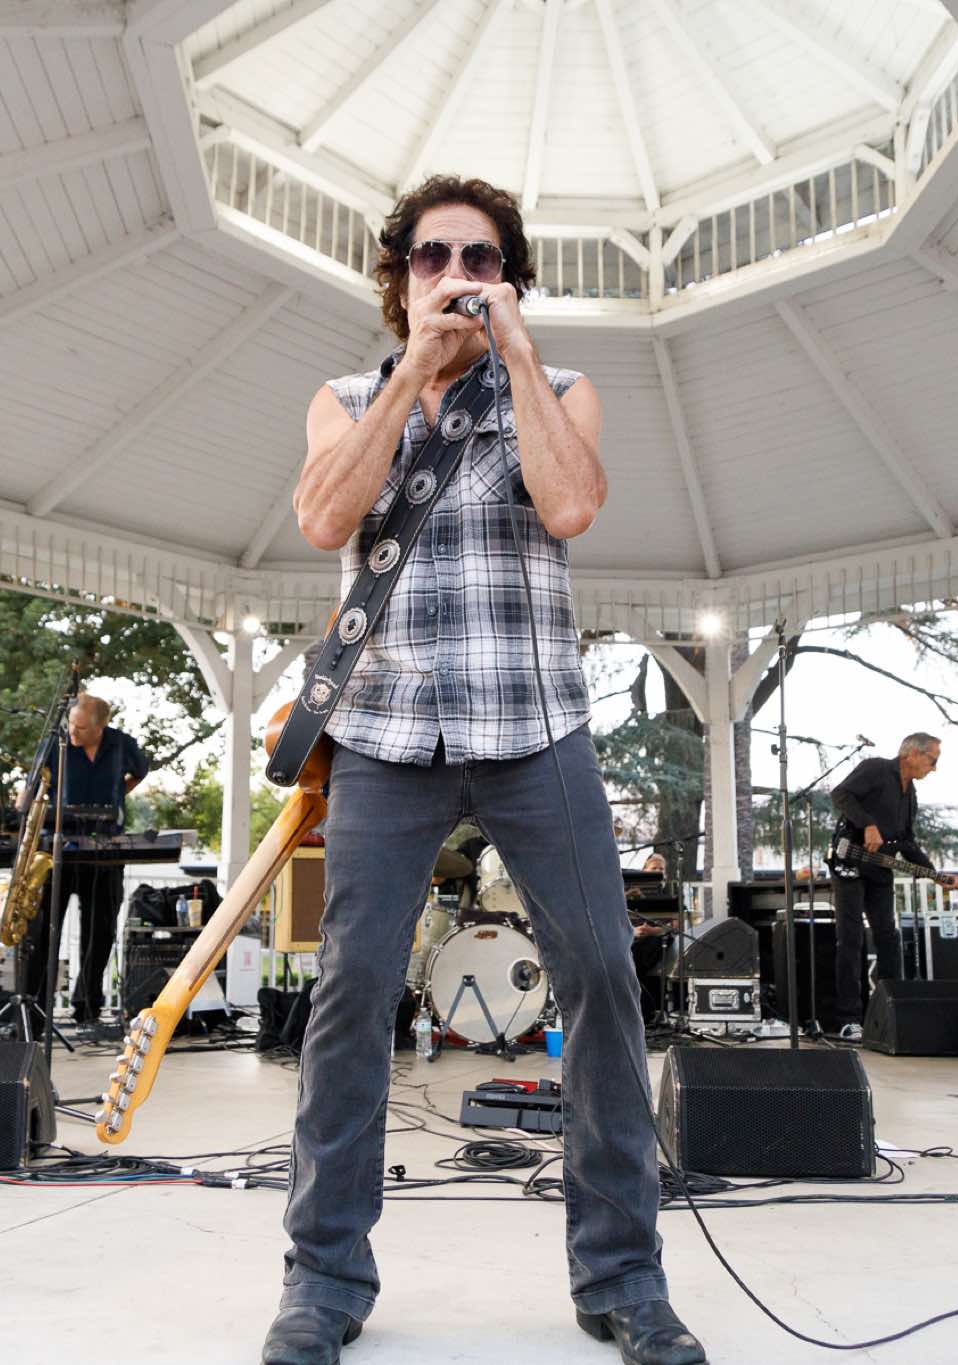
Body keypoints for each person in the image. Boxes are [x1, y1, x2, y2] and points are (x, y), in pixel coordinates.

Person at [267, 175, 703, 1365]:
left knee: (601, 981)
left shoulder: (559, 390)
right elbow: (322, 520)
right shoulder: (344, 397)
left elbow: (570, 507)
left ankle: (621, 1278)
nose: (455, 274)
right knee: (350, 995)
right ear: (398, 274)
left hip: (534, 725)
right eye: (432, 256)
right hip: (386, 733)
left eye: (480, 258)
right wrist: (413, 371)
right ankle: (322, 1281)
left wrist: (510, 358)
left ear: (510, 277)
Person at [18, 694, 149, 1023]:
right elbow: (30, 790)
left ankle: (87, 1005)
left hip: (105, 851)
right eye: (71, 725)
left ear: (101, 726)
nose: (73, 732)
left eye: (81, 728)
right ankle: (35, 1010)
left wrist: (116, 798)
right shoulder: (56, 744)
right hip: (57, 848)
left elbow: (140, 771)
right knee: (45, 932)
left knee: (100, 931)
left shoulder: (122, 744)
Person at [827, 733, 958, 1040]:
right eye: (932, 760)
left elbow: (906, 842)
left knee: (888, 937)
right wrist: (868, 824)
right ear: (912, 754)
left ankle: (888, 1013)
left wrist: (935, 875)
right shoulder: (875, 768)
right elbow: (840, 794)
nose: (934, 768)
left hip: (880, 870)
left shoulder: (910, 794)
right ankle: (848, 1019)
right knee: (851, 939)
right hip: (850, 862)